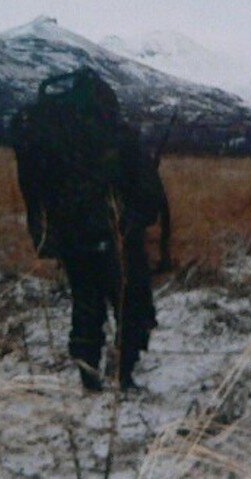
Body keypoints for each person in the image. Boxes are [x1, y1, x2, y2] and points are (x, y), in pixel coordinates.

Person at [11, 67, 170, 391]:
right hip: (119, 238)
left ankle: (89, 378)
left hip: (74, 238)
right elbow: (147, 191)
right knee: (133, 305)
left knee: (86, 307)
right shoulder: (118, 135)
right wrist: (137, 218)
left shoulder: (54, 137)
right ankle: (123, 376)